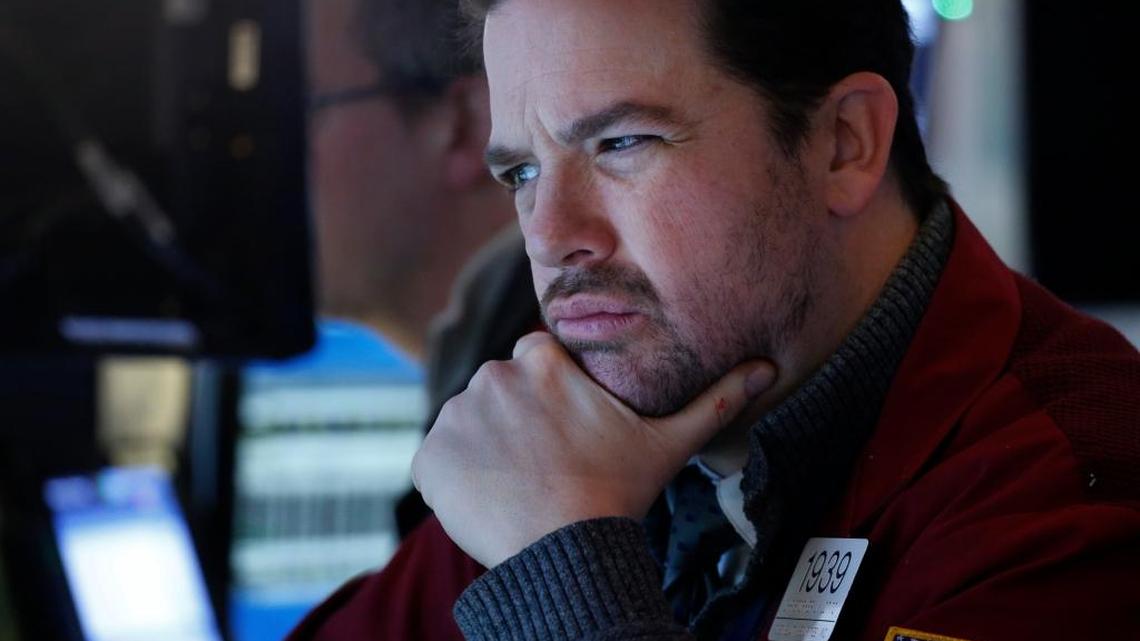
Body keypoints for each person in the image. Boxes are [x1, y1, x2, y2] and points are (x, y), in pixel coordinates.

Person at [289, 1, 1140, 640]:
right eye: (520, 172)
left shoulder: (1073, 498)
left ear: (845, 142)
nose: (550, 238)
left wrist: (564, 568)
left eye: (621, 143)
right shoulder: (596, 428)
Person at [306, 0, 540, 535]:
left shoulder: (558, 415)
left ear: (461, 124)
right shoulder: (492, 373)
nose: (259, 161)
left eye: (297, 112)